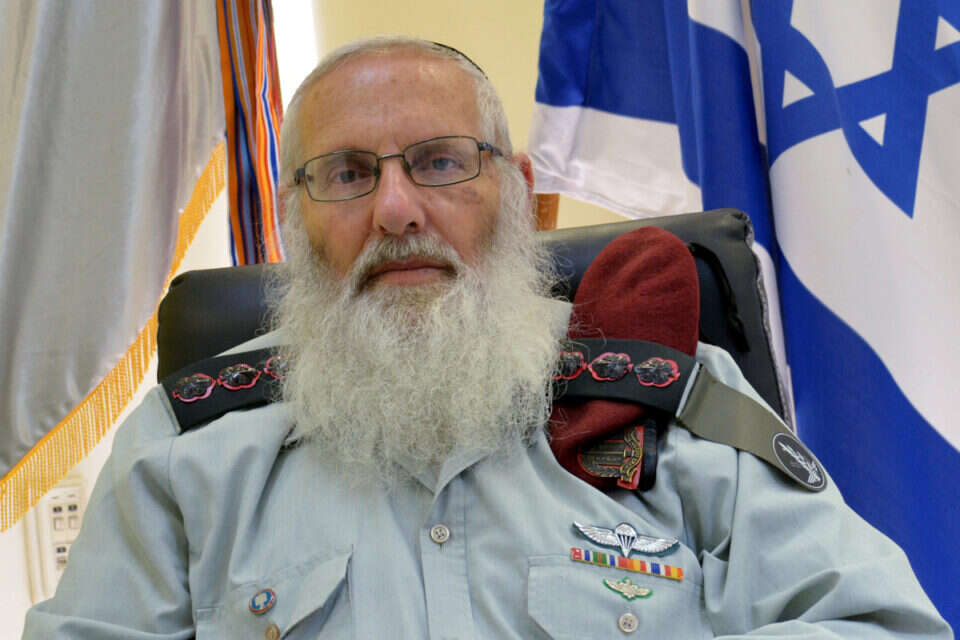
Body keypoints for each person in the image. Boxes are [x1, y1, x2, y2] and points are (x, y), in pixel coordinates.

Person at [23, 36, 952, 639]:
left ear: (514, 192)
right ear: (291, 218)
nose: (396, 210)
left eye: (439, 162)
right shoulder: (186, 446)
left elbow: (879, 624)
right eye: (346, 173)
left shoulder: (671, 398)